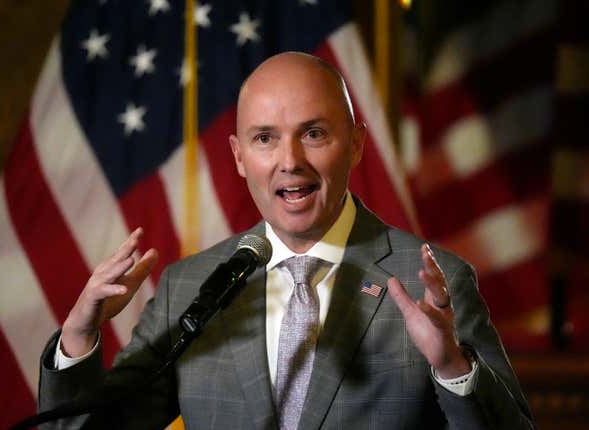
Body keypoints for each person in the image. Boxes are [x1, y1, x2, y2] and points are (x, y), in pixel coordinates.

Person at [38, 52, 535, 429]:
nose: (289, 160)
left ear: (356, 144)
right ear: (237, 156)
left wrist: (453, 368)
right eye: (264, 138)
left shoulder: (435, 281)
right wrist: (78, 339)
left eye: (314, 134)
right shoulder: (191, 286)